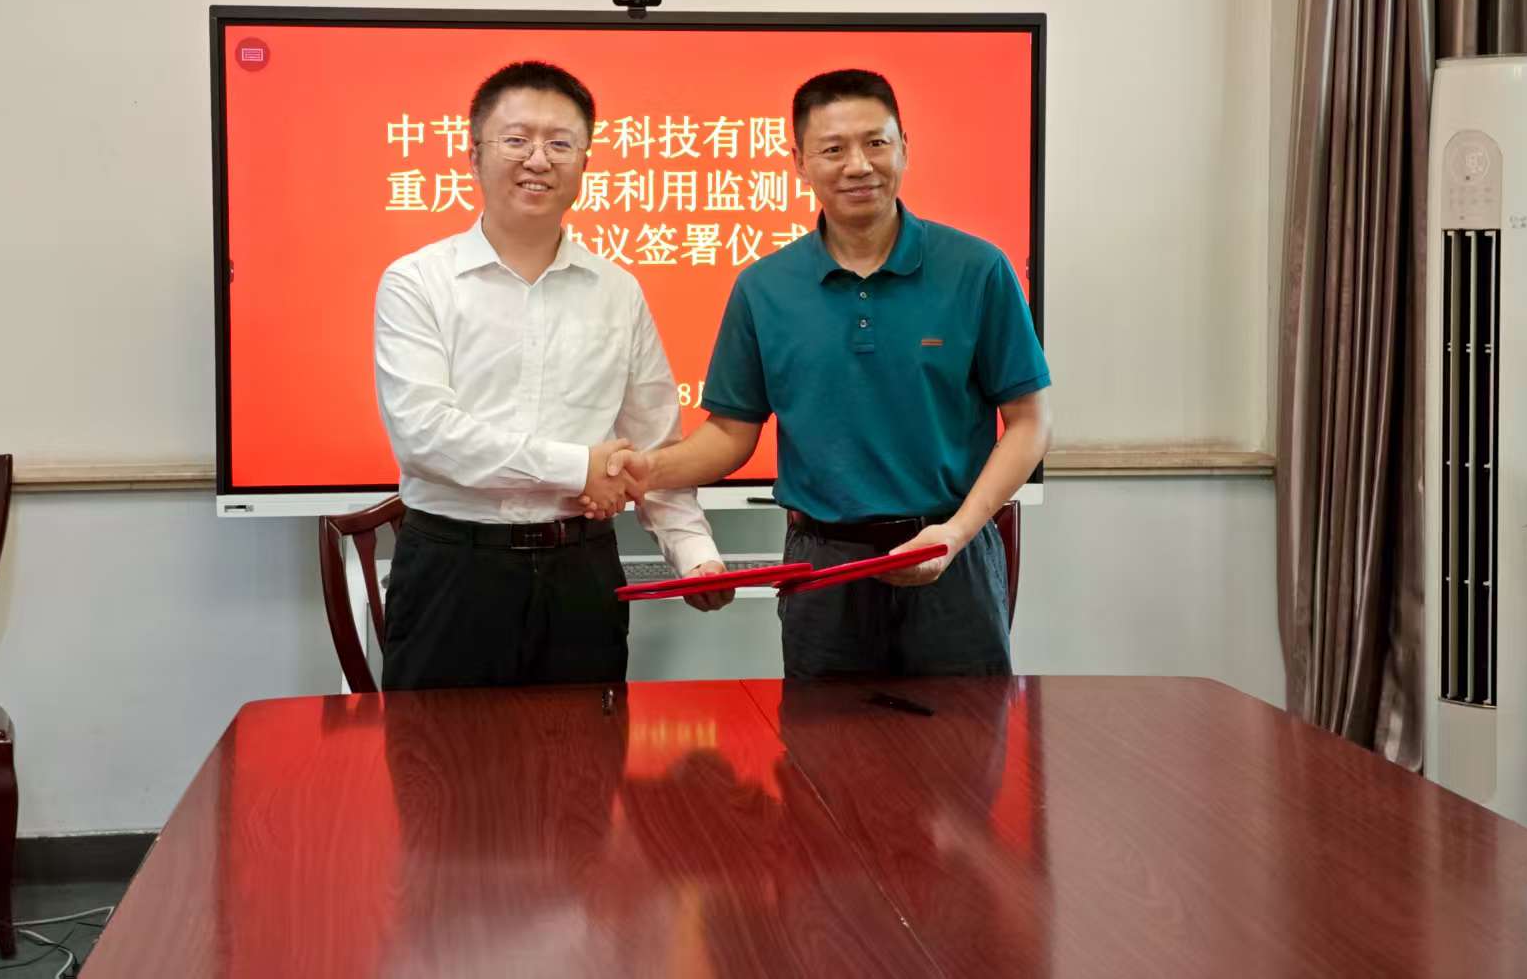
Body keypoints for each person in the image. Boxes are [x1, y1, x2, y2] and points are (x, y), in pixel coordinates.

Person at [590, 69, 1050, 678]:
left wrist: (957, 533)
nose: (858, 165)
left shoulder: (977, 268)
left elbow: (1029, 422)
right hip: (823, 564)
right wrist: (646, 471)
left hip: (952, 551)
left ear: (904, 147)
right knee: (822, 738)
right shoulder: (764, 288)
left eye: (876, 142)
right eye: (833, 149)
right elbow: (730, 434)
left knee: (966, 734)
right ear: (800, 163)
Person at [374, 60, 730, 691]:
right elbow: (425, 435)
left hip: (581, 572)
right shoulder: (417, 281)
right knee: (439, 754)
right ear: (474, 154)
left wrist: (695, 555)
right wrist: (578, 468)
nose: (538, 159)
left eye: (560, 144)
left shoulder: (617, 291)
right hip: (452, 571)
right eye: (516, 139)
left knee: (587, 753)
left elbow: (654, 447)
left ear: (584, 163)